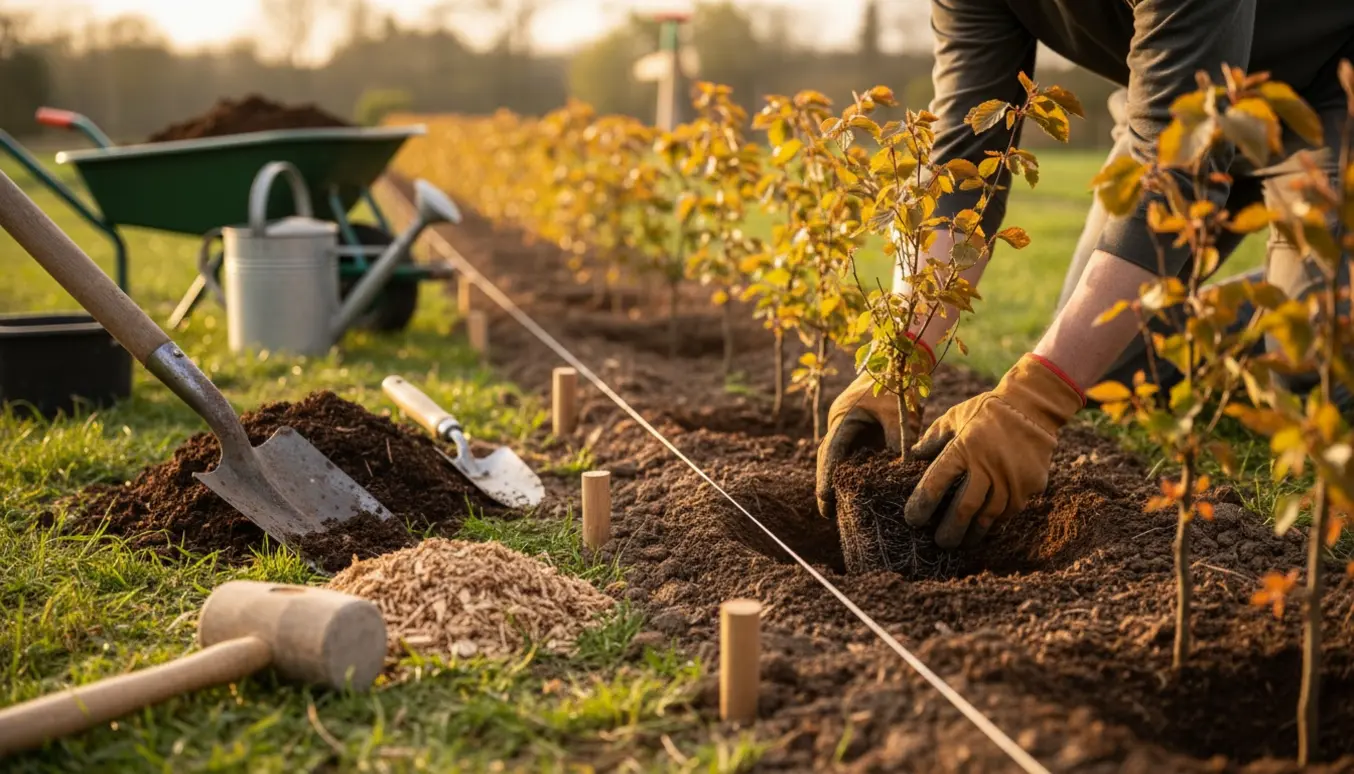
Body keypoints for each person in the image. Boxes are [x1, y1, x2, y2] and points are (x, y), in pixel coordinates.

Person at [816, 0, 1354, 551]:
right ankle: (1259, 308)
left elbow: (1174, 170)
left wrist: (1039, 397)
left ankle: (1303, 302)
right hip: (1169, 107)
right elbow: (963, 160)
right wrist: (901, 355)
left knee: (1309, 364)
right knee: (1100, 366)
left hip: (1327, 90)